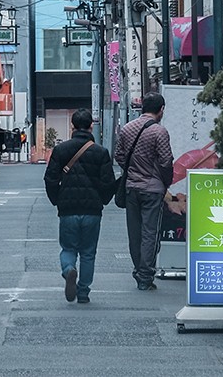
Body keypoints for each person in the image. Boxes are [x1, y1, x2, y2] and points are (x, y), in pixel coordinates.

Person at [43, 109, 117, 304]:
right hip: (92, 210)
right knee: (88, 252)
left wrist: (57, 200)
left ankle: (68, 270)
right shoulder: (101, 152)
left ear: (72, 126)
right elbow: (109, 182)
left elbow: (50, 178)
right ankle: (83, 292)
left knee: (68, 248)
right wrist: (103, 200)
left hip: (67, 209)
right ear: (91, 126)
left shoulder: (61, 150)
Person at [114, 92, 173, 291]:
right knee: (150, 232)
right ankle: (145, 275)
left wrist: (132, 170)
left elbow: (120, 156)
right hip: (153, 189)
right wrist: (164, 181)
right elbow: (166, 162)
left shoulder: (127, 128)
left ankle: (138, 269)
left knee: (135, 231)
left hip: (132, 187)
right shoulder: (159, 132)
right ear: (161, 109)